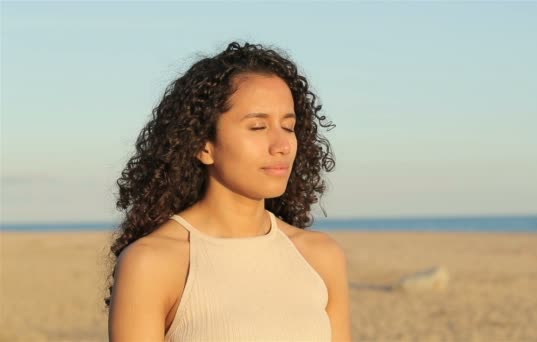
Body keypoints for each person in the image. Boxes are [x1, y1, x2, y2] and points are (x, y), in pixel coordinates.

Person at [105, 41, 352, 341]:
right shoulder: (151, 262)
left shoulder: (321, 256)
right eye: (258, 127)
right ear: (203, 145)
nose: (282, 145)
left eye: (288, 127)